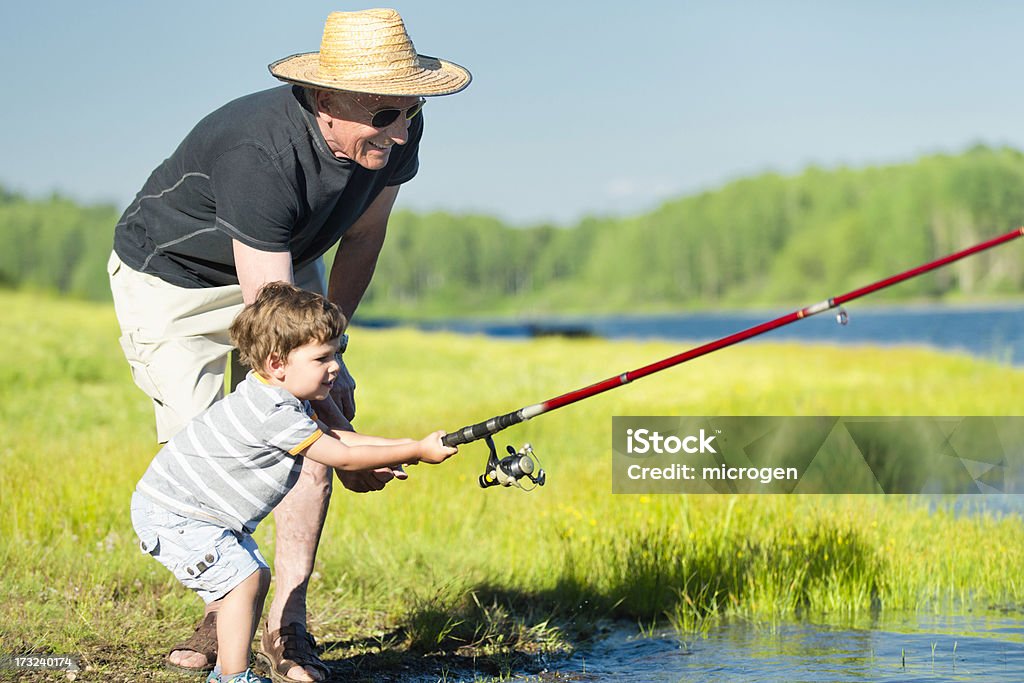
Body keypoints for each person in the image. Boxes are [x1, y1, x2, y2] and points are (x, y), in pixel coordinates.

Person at [108, 8, 471, 681]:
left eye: (411, 111)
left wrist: (339, 352)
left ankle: (287, 623)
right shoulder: (261, 154)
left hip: (284, 263)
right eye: (385, 114)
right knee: (227, 440)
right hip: (175, 283)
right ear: (326, 99)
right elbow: (275, 339)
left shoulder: (397, 131)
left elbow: (363, 236)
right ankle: (224, 603)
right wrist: (338, 430)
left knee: (318, 398)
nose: (398, 131)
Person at [131, 282, 459, 683]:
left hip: (196, 514)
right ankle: (232, 675)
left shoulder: (283, 397)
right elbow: (340, 455)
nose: (335, 366)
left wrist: (414, 445)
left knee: (253, 575)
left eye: (337, 353)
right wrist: (414, 450)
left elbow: (342, 439)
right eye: (322, 357)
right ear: (277, 362)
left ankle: (230, 670)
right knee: (245, 578)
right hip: (177, 515)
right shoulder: (272, 410)